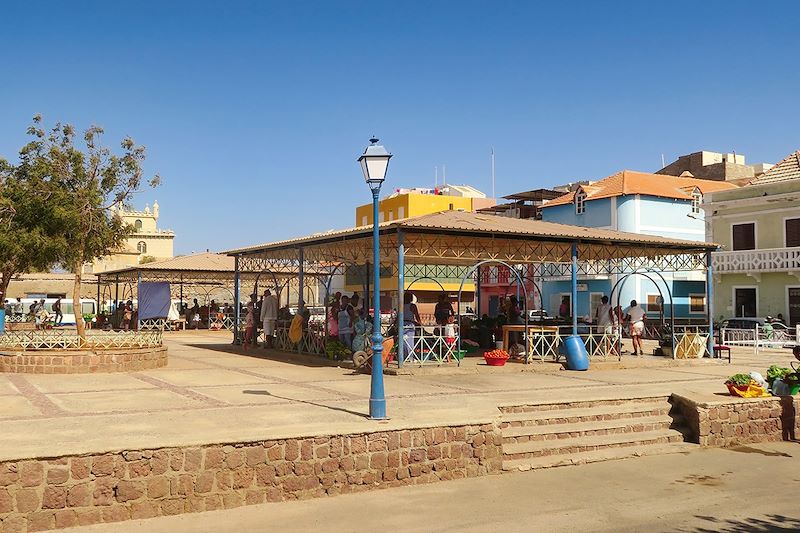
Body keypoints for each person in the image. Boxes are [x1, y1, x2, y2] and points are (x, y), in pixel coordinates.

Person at [402, 292, 422, 360]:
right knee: (410, 341)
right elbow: (417, 315)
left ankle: (404, 356)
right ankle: (410, 357)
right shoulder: (412, 306)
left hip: (402, 324)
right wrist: (420, 324)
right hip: (409, 324)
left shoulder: (401, 305)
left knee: (403, 341)